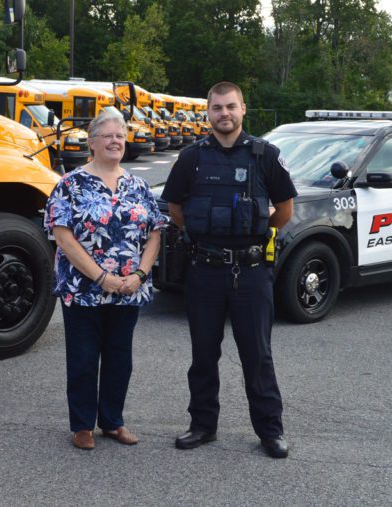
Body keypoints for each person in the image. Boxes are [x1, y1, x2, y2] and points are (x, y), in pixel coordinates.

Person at [161, 82, 297, 459]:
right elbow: (175, 208)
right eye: (217, 108)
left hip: (251, 273)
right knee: (203, 354)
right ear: (208, 113)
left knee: (258, 354)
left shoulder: (265, 155)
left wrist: (254, 233)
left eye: (231, 107)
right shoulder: (191, 158)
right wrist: (203, 236)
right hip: (204, 269)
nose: (224, 114)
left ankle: (271, 431)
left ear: (243, 109)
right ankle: (203, 425)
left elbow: (284, 208)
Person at [44, 112, 165, 450]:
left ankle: (112, 421)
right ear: (92, 142)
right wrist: (101, 277)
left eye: (120, 136)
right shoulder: (70, 184)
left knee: (119, 358)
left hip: (128, 290)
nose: (115, 141)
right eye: (108, 135)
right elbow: (62, 236)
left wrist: (139, 275)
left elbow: (154, 234)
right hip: (83, 289)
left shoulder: (139, 185)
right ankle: (82, 425)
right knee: (83, 358)